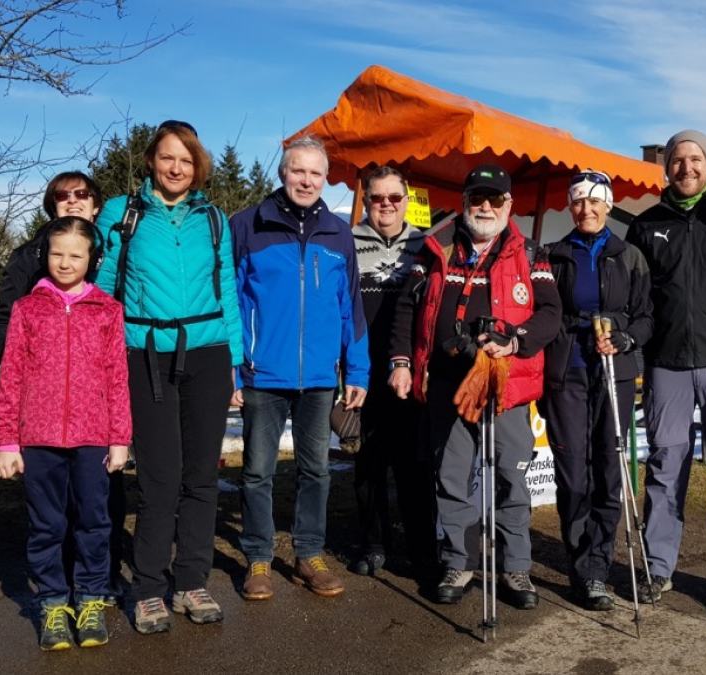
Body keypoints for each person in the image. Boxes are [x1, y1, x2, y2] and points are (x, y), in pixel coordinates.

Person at [94, 120, 244, 634]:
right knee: (159, 478)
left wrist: (237, 364)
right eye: (167, 158)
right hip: (145, 354)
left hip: (208, 353)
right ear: (152, 162)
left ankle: (192, 582)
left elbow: (225, 289)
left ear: (197, 165)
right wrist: (102, 355)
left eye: (185, 159)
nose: (176, 167)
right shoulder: (123, 213)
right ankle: (150, 588)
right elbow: (103, 283)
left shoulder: (214, 219)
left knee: (202, 476)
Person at [390, 164, 560, 609]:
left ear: (509, 204)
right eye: (477, 198)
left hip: (506, 383)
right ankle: (459, 562)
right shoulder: (437, 247)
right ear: (465, 202)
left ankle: (516, 568)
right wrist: (403, 361)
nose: (485, 207)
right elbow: (408, 310)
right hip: (449, 383)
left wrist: (515, 338)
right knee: (451, 476)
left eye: (495, 199)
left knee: (511, 477)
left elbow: (549, 315)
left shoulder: (531, 252)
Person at [229, 135, 369, 601]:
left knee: (317, 471)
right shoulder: (248, 225)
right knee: (257, 472)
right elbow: (228, 302)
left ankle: (309, 553)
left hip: (320, 380)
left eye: (315, 172)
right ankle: (259, 558)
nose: (307, 180)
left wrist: (358, 372)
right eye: (298, 170)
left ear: (325, 178)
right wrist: (232, 369)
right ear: (282, 173)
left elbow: (350, 306)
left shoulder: (338, 233)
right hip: (262, 375)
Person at [626, 130, 706, 604]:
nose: (686, 168)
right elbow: (635, 300)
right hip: (667, 364)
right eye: (678, 160)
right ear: (666, 167)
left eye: (695, 159)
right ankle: (657, 568)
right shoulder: (645, 226)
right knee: (666, 465)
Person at [0, 216, 131, 650]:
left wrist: (120, 438)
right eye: (57, 253)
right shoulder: (27, 309)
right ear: (44, 255)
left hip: (93, 438)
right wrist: (6, 441)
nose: (65, 262)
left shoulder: (107, 311)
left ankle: (90, 599)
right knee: (46, 525)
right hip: (39, 438)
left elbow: (117, 380)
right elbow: (11, 376)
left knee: (94, 522)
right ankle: (53, 603)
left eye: (76, 254)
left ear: (91, 258)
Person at [541, 170, 653, 610]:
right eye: (577, 203)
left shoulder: (630, 257)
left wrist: (624, 335)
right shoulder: (553, 255)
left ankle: (598, 566)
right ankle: (580, 563)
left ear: (607, 205)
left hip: (613, 369)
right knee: (573, 470)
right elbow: (544, 310)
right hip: (567, 368)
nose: (585, 210)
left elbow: (647, 317)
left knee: (609, 467)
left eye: (593, 202)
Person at [349, 165, 434, 578]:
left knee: (414, 463)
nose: (386, 205)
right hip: (362, 372)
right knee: (368, 462)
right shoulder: (347, 244)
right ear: (366, 201)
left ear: (406, 201)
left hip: (410, 373)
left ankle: (420, 545)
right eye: (377, 198)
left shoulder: (426, 246)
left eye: (394, 198)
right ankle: (372, 542)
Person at [0, 171, 103, 358]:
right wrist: (19, 369)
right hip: (42, 369)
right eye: (62, 196)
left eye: (81, 194)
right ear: (54, 207)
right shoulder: (28, 255)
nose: (72, 201)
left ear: (96, 206)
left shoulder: (115, 251)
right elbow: (5, 319)